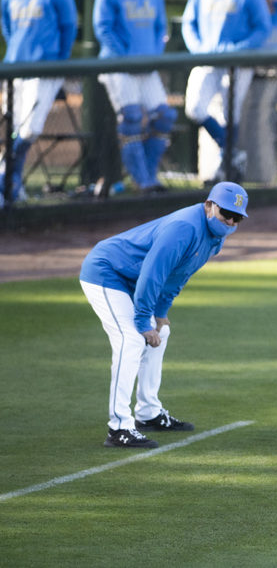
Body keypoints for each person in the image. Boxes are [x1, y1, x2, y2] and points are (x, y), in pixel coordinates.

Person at [80, 181, 249, 449]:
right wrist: (142, 320)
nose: (229, 221)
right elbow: (153, 272)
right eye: (225, 214)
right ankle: (119, 427)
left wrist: (160, 313)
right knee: (132, 339)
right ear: (208, 206)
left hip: (131, 279)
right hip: (106, 272)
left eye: (236, 218)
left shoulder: (215, 238)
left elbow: (178, 275)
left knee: (162, 331)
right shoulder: (185, 227)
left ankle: (148, 413)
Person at [182, 0, 271, 181]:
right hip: (206, 59)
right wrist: (198, 48)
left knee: (229, 115)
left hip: (237, 64)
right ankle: (230, 151)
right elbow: (189, 23)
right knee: (194, 108)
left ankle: (223, 168)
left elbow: (262, 28)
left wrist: (240, 49)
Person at [93, 0, 175, 193]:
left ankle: (149, 177)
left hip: (146, 66)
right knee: (131, 118)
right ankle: (143, 181)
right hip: (118, 66)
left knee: (165, 115)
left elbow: (161, 26)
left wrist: (154, 53)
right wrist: (125, 56)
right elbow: (102, 28)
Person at [0, 0, 76, 205]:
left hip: (45, 69)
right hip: (14, 69)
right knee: (13, 127)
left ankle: (5, 178)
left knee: (29, 130)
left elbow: (68, 28)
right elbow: (7, 28)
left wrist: (58, 60)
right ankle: (13, 185)